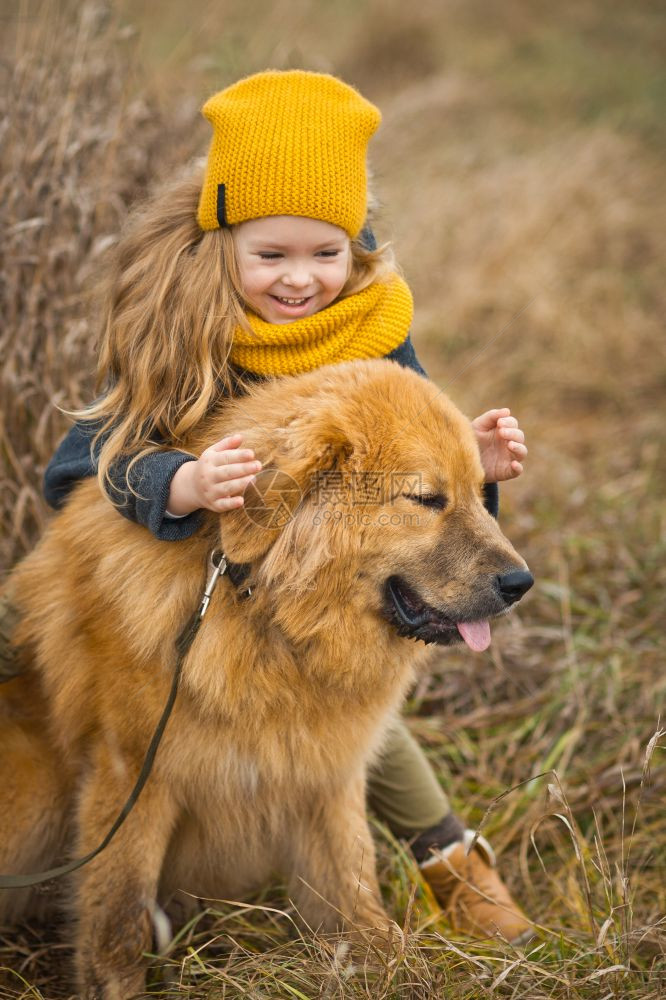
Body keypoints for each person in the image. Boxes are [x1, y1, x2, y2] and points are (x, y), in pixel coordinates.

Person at [2, 70, 529, 941]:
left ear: (355, 251)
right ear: (223, 244)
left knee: (362, 717)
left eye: (325, 254)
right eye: (271, 256)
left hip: (318, 596)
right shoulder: (182, 323)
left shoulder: (375, 323)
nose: (300, 281)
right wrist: (182, 481)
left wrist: (476, 461)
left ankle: (455, 869)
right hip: (197, 574)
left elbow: (424, 456)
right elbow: (77, 470)